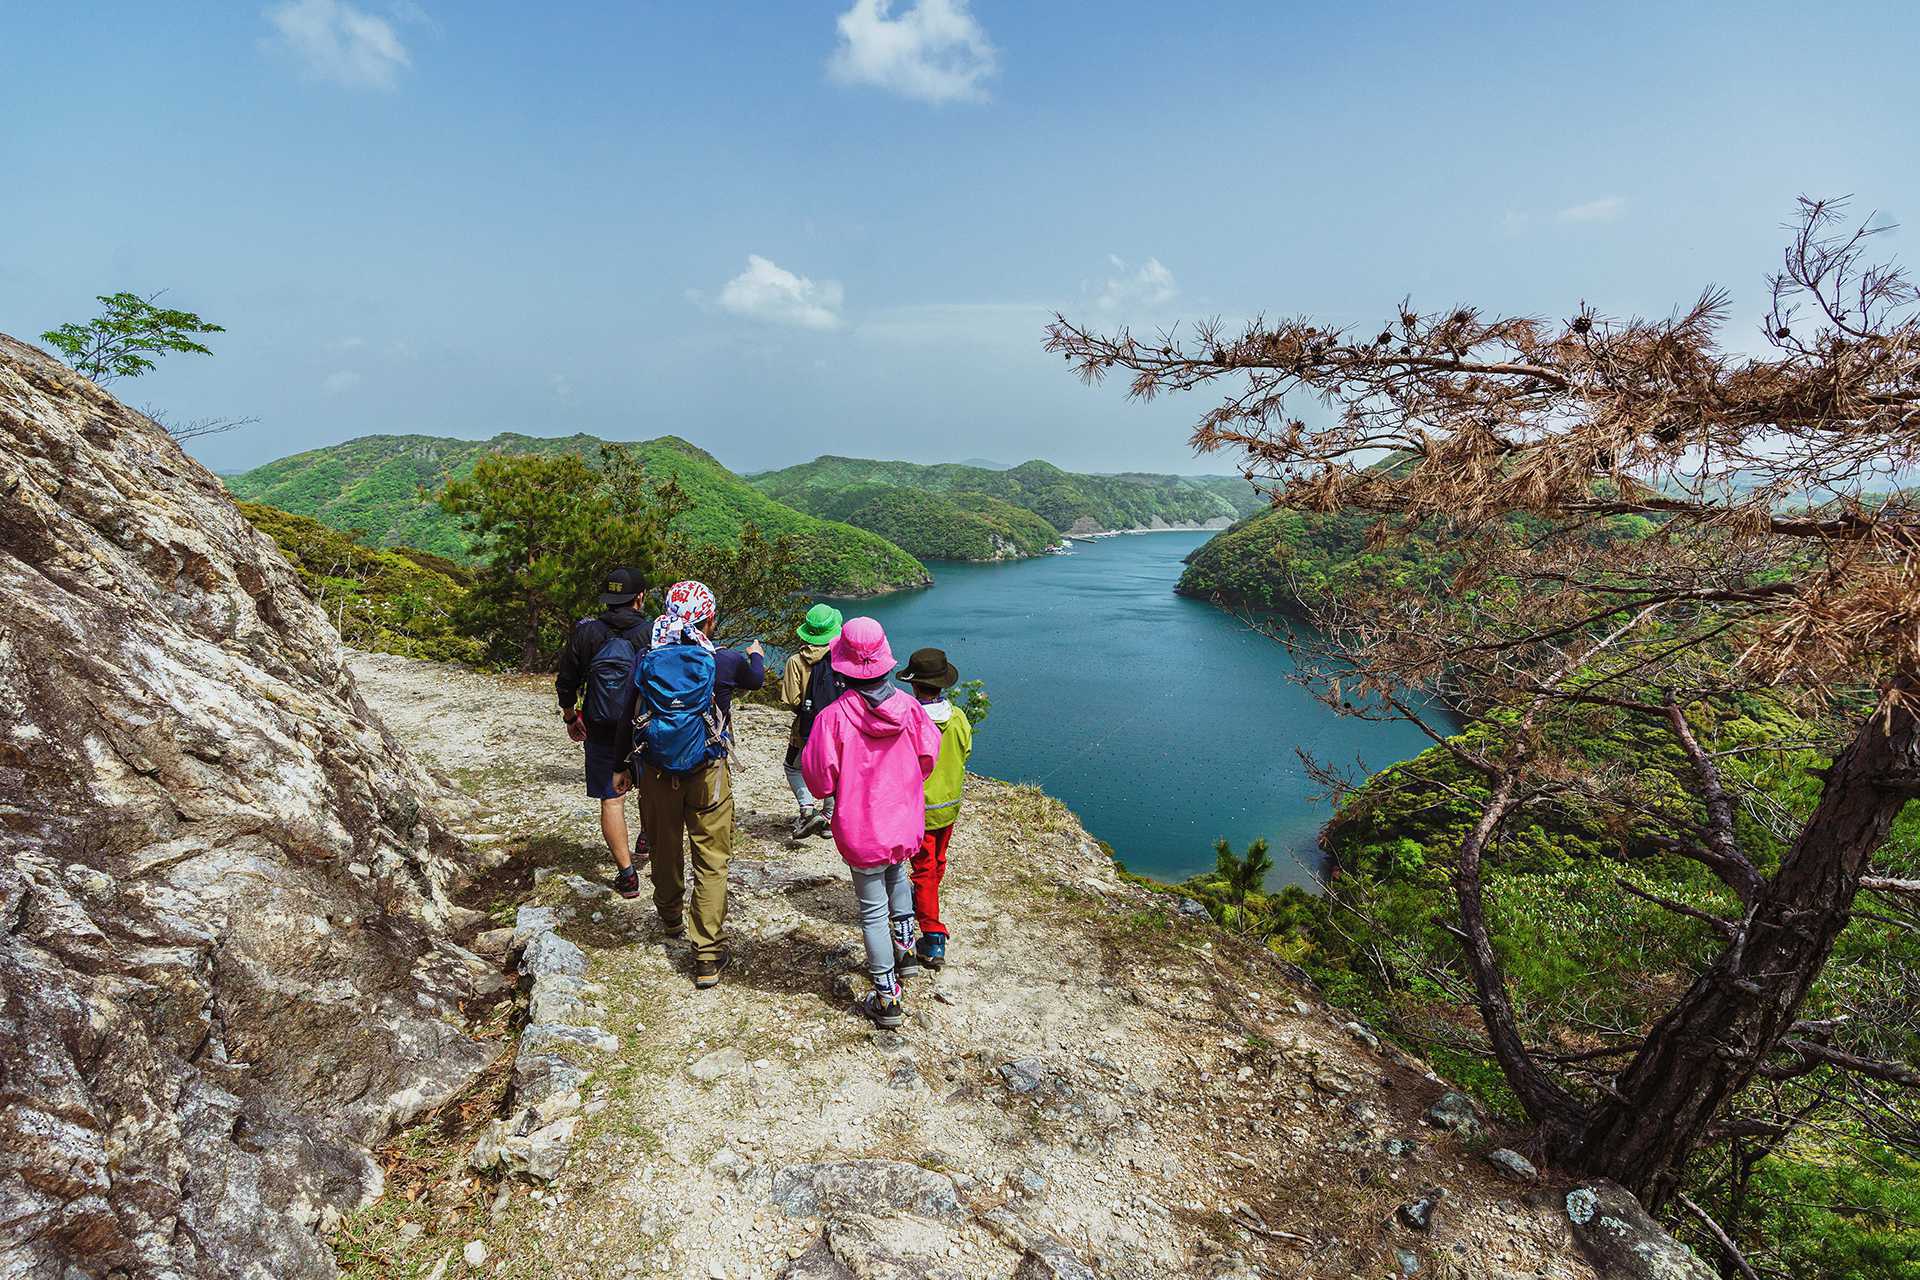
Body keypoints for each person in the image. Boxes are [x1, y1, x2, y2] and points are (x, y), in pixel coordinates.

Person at [800, 617, 940, 1029]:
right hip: (902, 819)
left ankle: (886, 996)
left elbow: (819, 778)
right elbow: (927, 759)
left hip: (862, 827)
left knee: (871, 909)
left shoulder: (833, 718)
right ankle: (907, 953)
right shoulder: (910, 708)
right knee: (898, 875)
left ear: (843, 665)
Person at [633, 580, 764, 989]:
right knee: (711, 859)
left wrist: (624, 765)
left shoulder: (647, 657)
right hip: (707, 773)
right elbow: (757, 679)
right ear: (708, 619)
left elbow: (628, 712)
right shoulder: (722, 662)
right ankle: (707, 954)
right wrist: (756, 654)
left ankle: (670, 917)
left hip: (655, 772)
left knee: (664, 845)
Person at [555, 565, 650, 898]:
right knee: (651, 787)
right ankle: (647, 837)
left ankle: (627, 875)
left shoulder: (586, 632)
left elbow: (566, 682)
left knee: (612, 799)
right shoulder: (652, 633)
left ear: (607, 599)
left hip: (601, 726)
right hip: (645, 726)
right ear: (640, 597)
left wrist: (571, 717)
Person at [897, 647, 972, 971]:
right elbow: (965, 751)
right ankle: (925, 899)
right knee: (937, 862)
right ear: (942, 684)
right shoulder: (958, 718)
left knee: (924, 870)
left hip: (921, 810)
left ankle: (932, 934)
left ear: (914, 685)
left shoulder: (911, 721)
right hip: (950, 806)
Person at [780, 603, 845, 840]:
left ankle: (807, 809)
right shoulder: (840, 658)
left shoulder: (796, 661)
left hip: (806, 729)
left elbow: (790, 699)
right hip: (839, 728)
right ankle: (828, 819)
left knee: (792, 766)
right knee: (834, 771)